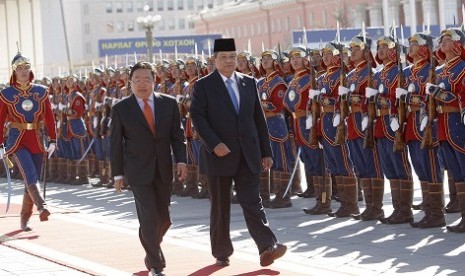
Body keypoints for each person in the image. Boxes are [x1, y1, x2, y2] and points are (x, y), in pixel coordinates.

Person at [190, 38, 286, 267]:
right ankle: (222, 252)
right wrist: (214, 143)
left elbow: (258, 119)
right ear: (214, 60)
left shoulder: (248, 82)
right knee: (221, 207)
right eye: (223, 57)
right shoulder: (203, 85)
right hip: (218, 156)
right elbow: (198, 118)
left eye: (232, 56)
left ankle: (267, 247)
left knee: (253, 202)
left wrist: (266, 151)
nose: (229, 61)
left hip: (247, 154)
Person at [110, 61, 187, 276]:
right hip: (137, 171)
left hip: (163, 168)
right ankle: (156, 263)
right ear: (130, 83)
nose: (142, 85)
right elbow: (115, 144)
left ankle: (150, 246)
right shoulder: (121, 108)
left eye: (146, 80)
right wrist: (118, 174)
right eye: (137, 80)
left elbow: (177, 136)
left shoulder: (169, 104)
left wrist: (181, 161)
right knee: (148, 216)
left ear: (155, 81)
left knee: (164, 218)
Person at [0, 52, 57, 231]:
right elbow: (0, 120)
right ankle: (42, 206)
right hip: (17, 140)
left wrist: (53, 140)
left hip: (37, 140)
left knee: (30, 179)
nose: (24, 72)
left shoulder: (40, 91)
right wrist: (0, 143)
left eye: (26, 68)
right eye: (20, 69)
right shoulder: (6, 94)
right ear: (14, 72)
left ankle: (24, 219)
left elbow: (49, 117)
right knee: (30, 174)